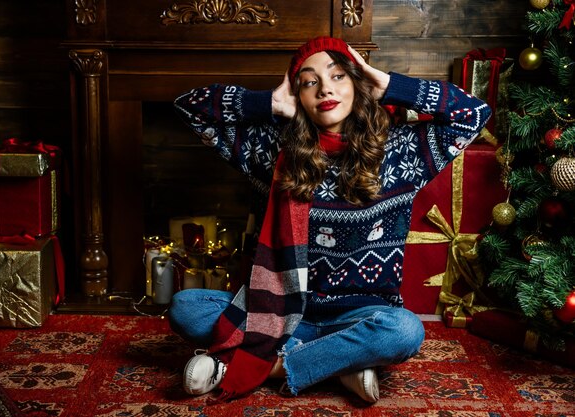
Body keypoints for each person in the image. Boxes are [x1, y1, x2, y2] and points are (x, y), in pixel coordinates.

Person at [169, 36, 491, 403]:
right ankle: (340, 366)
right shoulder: (272, 150)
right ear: (297, 95)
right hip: (284, 313)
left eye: (338, 76)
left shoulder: (400, 151)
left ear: (357, 82)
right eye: (309, 81)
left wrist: (390, 85)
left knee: (404, 331)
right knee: (186, 307)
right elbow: (188, 107)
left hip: (362, 316)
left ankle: (270, 366)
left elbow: (475, 113)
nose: (325, 89)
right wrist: (269, 103)